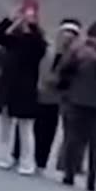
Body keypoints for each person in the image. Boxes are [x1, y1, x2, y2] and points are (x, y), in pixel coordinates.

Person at [57, 22, 96, 191]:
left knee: (95, 145)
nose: (95, 41)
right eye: (93, 37)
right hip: (76, 101)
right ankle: (69, 174)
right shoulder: (77, 51)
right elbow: (63, 72)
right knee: (72, 141)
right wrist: (76, 59)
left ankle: (92, 180)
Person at [0, 1, 47, 175]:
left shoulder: (37, 42)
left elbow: (39, 46)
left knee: (25, 127)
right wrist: (11, 19)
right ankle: (5, 156)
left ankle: (26, 162)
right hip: (9, 86)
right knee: (5, 125)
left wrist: (31, 25)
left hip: (26, 90)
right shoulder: (14, 40)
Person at [35, 18, 82, 173]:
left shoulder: (75, 57)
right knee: (30, 127)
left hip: (56, 99)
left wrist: (60, 83)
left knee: (48, 131)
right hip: (38, 93)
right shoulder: (47, 49)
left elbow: (74, 78)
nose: (68, 37)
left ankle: (41, 162)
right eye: (66, 32)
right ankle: (21, 155)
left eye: (73, 34)